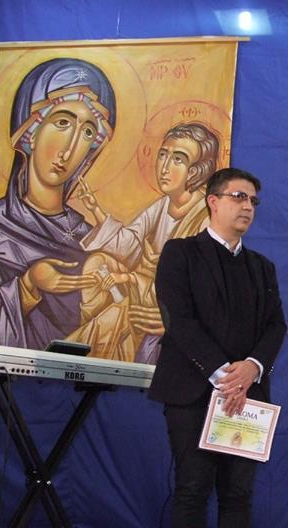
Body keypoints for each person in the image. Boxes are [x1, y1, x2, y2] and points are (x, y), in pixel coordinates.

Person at [148, 167, 286, 528]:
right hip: (193, 393)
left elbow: (276, 326)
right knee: (191, 491)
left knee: (237, 496)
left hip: (245, 398)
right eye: (238, 197)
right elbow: (179, 319)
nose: (248, 206)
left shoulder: (262, 268)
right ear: (212, 201)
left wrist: (252, 367)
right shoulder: (181, 254)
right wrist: (223, 373)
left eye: (253, 200)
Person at [0, 57, 116, 349]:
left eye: (88, 132)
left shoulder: (91, 238)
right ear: (30, 133)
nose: (70, 149)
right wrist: (28, 285)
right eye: (62, 122)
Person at [68, 122, 221, 363]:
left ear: (193, 172)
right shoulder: (162, 205)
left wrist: (131, 280)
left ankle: (82, 355)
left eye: (178, 159)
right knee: (97, 263)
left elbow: (200, 284)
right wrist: (95, 209)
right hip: (145, 288)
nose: (164, 167)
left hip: (169, 297)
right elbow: (129, 243)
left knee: (117, 314)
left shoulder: (205, 217)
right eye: (163, 155)